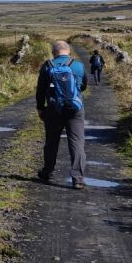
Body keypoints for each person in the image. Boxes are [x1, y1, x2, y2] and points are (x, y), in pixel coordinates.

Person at [36, 40, 89, 188]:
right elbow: (83, 86)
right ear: (68, 51)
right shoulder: (78, 65)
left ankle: (47, 171)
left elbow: (40, 90)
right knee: (77, 142)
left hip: (54, 109)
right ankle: (78, 178)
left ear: (54, 52)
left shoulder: (48, 66)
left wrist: (40, 108)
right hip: (75, 109)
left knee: (51, 142)